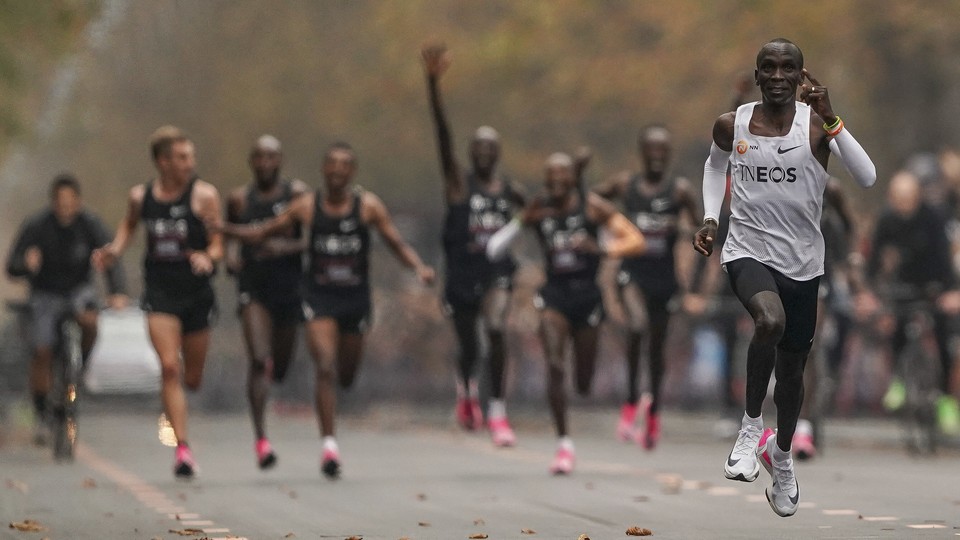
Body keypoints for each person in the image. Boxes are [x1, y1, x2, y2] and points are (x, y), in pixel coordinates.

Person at [694, 38, 876, 517]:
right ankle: (750, 427)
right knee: (767, 323)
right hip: (748, 251)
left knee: (793, 373)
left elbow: (868, 176)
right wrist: (711, 218)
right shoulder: (731, 124)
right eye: (768, 68)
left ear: (801, 75)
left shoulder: (816, 126)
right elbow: (714, 168)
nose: (777, 76)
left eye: (787, 68)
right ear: (756, 77)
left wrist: (834, 117)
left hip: (803, 262)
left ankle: (781, 455)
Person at [221, 142, 435, 479]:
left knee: (346, 375)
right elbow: (262, 231)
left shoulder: (368, 207)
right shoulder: (306, 206)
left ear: (352, 171)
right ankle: (329, 446)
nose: (337, 171)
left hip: (354, 298)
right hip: (318, 297)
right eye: (331, 165)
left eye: (344, 165)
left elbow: (396, 242)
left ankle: (333, 418)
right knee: (324, 365)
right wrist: (225, 231)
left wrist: (419, 268)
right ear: (323, 170)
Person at [488, 151, 645, 474]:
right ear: (545, 180)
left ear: (573, 179)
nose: (557, 181)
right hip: (554, 298)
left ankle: (578, 397)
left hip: (588, 300)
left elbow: (635, 239)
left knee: (583, 383)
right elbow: (494, 248)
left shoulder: (592, 207)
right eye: (551, 176)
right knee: (555, 363)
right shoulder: (539, 209)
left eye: (563, 175)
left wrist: (602, 249)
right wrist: (520, 220)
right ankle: (564, 445)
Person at [93, 126, 223, 479]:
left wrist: (208, 258)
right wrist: (113, 251)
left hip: (196, 295)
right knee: (168, 367)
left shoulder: (204, 196)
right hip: (160, 293)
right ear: (162, 161)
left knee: (191, 378)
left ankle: (180, 402)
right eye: (182, 158)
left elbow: (217, 242)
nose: (189, 164)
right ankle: (182, 450)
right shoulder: (141, 196)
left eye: (191, 157)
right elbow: (128, 227)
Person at [422, 43, 525, 446]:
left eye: (490, 149)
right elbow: (442, 136)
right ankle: (466, 388)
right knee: (469, 345)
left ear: (498, 154)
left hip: (496, 274)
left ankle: (497, 411)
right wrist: (433, 86)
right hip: (461, 276)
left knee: (496, 329)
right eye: (477, 149)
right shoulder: (458, 183)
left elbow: (532, 218)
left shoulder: (509, 191)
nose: (483, 154)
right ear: (470, 155)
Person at [593, 125, 700, 449]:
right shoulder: (626, 185)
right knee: (637, 327)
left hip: (665, 280)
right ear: (641, 153)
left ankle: (652, 412)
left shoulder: (679, 191)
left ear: (668, 155)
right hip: (632, 274)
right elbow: (589, 199)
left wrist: (688, 238)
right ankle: (629, 403)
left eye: (662, 150)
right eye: (650, 149)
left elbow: (702, 231)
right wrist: (613, 226)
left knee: (656, 349)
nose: (656, 156)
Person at [6, 174, 128, 445]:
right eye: (60, 202)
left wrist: (117, 291)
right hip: (45, 293)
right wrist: (25, 264)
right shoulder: (37, 226)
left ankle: (79, 365)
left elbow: (111, 258)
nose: (65, 207)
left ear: (78, 202)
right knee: (41, 349)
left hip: (78, 290)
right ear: (52, 203)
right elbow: (11, 265)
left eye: (70, 202)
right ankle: (41, 413)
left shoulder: (90, 225)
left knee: (90, 321)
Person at [225, 135, 310, 470]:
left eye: (271, 157)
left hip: (289, 289)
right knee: (260, 360)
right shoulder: (239, 199)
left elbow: (309, 239)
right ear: (251, 161)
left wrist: (283, 248)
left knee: (281, 367)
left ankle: (270, 379)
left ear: (281, 160)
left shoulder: (297, 195)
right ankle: (261, 439)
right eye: (259, 157)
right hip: (254, 288)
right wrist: (231, 258)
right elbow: (228, 235)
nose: (265, 163)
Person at [862, 171, 960, 435]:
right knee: (897, 327)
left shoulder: (933, 218)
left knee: (943, 336)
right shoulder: (886, 220)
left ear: (917, 196)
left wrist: (952, 291)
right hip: (902, 286)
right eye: (897, 197)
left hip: (934, 286)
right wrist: (869, 292)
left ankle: (945, 400)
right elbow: (873, 262)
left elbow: (945, 258)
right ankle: (899, 381)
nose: (902, 203)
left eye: (907, 197)